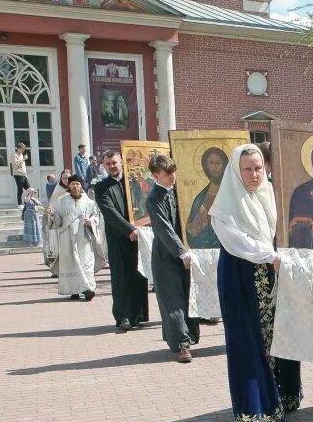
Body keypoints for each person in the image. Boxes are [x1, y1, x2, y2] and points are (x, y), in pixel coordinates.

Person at [210, 145, 302, 422]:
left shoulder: (272, 195)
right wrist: (270, 256)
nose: (253, 174)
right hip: (241, 274)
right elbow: (235, 241)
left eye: (258, 168)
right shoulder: (225, 204)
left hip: (273, 272)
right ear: (236, 171)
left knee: (280, 334)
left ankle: (282, 396)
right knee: (248, 339)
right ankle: (255, 411)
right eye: (247, 169)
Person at [146, 154, 200, 364]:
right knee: (172, 299)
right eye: (167, 173)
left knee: (187, 296)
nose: (172, 176)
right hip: (167, 255)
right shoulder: (153, 199)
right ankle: (181, 345)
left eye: (174, 171)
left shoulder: (178, 193)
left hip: (186, 251)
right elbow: (164, 229)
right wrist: (181, 252)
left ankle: (189, 336)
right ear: (155, 176)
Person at [93, 149, 149, 331]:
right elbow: (109, 212)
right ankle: (123, 316)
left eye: (114, 163)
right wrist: (129, 230)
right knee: (120, 276)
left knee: (138, 274)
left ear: (121, 162)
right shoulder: (101, 187)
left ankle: (139, 314)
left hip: (139, 235)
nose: (111, 167)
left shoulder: (133, 183)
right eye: (108, 164)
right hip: (118, 237)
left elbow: (143, 204)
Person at [50, 174, 101, 301]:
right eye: (73, 184)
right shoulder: (61, 201)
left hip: (84, 237)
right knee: (71, 263)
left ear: (81, 185)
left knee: (86, 263)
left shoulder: (90, 202)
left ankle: (88, 289)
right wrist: (51, 215)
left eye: (78, 184)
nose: (75, 186)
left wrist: (91, 221)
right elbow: (57, 220)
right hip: (67, 238)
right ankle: (74, 290)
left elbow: (97, 216)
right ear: (69, 185)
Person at [186, 147, 228, 248]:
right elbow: (191, 230)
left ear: (224, 166)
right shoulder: (200, 197)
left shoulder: (230, 193)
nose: (214, 167)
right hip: (203, 250)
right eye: (211, 163)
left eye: (218, 163)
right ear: (205, 166)